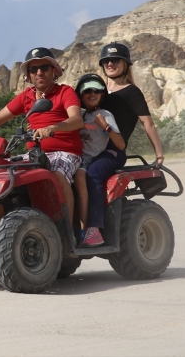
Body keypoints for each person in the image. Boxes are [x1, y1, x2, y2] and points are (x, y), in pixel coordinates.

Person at [0, 47, 83, 224]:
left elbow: (76, 120)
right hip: (34, 154)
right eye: (33, 69)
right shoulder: (26, 96)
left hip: (64, 152)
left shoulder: (65, 92)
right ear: (28, 74)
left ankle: (68, 230)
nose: (39, 72)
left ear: (54, 71)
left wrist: (52, 128)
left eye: (44, 67)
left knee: (57, 174)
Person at [83, 42, 165, 236]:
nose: (110, 63)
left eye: (115, 60)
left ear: (125, 64)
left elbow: (148, 123)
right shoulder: (97, 91)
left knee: (93, 174)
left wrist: (159, 155)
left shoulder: (131, 92)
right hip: (90, 148)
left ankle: (94, 228)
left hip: (112, 151)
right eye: (106, 60)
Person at [72, 73, 125, 247]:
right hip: (80, 158)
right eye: (87, 91)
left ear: (102, 94)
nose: (92, 94)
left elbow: (120, 144)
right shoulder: (79, 115)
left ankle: (93, 229)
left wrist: (106, 127)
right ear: (81, 95)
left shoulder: (105, 114)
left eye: (97, 90)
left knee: (91, 176)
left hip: (95, 158)